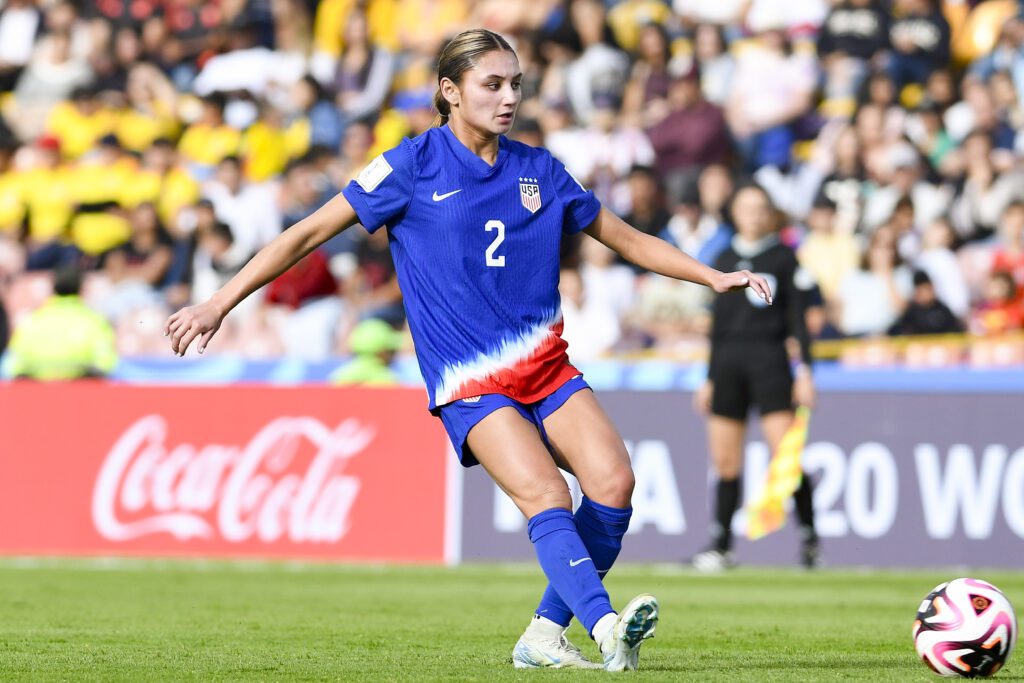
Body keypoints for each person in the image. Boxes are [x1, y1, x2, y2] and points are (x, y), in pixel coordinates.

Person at [164, 29, 770, 672]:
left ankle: (544, 635)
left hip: (546, 367)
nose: (508, 98)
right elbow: (307, 233)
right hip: (470, 381)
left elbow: (625, 237)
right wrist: (218, 302)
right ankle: (605, 625)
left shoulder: (540, 169)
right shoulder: (409, 166)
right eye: (492, 84)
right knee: (546, 495)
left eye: (516, 85)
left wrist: (714, 276)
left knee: (615, 484)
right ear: (450, 92)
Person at [691, 183, 819, 571]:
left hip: (771, 362)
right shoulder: (724, 256)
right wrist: (709, 377)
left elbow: (799, 320)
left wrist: (805, 371)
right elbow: (718, 326)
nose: (754, 214)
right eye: (746, 207)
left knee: (786, 456)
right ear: (735, 212)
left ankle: (810, 540)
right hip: (728, 363)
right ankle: (721, 544)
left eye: (760, 207)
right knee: (725, 461)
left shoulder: (783, 256)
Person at [4, 264, 117, 380]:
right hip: (81, 394)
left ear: (53, 288)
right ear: (82, 288)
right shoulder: (95, 321)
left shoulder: (32, 321)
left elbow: (13, 366)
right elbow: (105, 364)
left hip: (37, 393)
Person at [329, 317, 403, 386]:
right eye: (391, 351)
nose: (392, 355)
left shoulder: (339, 377)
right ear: (382, 352)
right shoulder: (389, 380)